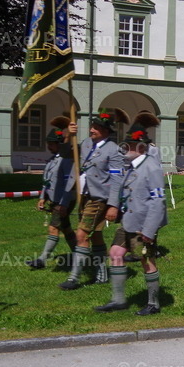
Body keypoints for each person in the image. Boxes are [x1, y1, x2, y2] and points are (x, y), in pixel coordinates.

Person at [94, 116, 168, 315]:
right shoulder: (132, 167)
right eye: (125, 145)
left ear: (141, 148)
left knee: (147, 262)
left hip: (143, 225)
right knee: (116, 254)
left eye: (130, 146)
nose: (125, 149)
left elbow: (158, 201)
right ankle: (118, 300)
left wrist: (149, 231)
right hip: (128, 222)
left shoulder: (152, 167)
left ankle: (153, 303)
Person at [60, 108, 127, 290]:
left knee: (81, 234)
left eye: (96, 127)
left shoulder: (114, 151)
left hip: (99, 198)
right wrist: (68, 135)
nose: (91, 130)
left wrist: (113, 205)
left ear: (105, 130)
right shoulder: (86, 143)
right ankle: (102, 274)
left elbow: (117, 179)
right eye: (92, 126)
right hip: (84, 195)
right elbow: (65, 153)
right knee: (95, 235)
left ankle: (74, 278)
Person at [28, 116, 77, 269]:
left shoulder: (66, 160)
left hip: (65, 199)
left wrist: (63, 203)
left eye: (51, 143)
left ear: (59, 143)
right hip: (54, 199)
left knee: (53, 227)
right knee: (66, 228)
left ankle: (42, 260)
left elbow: (70, 183)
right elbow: (47, 181)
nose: (49, 146)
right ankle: (79, 255)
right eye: (48, 143)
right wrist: (42, 197)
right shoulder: (51, 160)